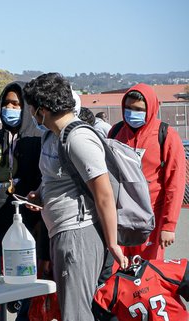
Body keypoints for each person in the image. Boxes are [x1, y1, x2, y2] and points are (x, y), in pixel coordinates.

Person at [23, 73, 128, 321]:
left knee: (76, 314)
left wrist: (113, 243)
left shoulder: (79, 138)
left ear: (43, 109)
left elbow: (103, 194)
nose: (30, 114)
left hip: (78, 235)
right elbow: (57, 177)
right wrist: (41, 194)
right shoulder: (51, 135)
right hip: (62, 232)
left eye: (30, 108)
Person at [0, 81, 50, 321]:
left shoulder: (39, 140)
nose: (9, 108)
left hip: (27, 234)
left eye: (16, 103)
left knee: (26, 294)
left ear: (26, 107)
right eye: (6, 103)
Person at [109, 84, 186, 260]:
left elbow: (175, 184)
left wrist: (168, 225)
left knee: (147, 275)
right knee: (116, 273)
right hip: (119, 218)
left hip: (151, 219)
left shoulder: (166, 135)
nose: (131, 113)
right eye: (128, 108)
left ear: (150, 108)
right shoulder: (115, 132)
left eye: (138, 109)